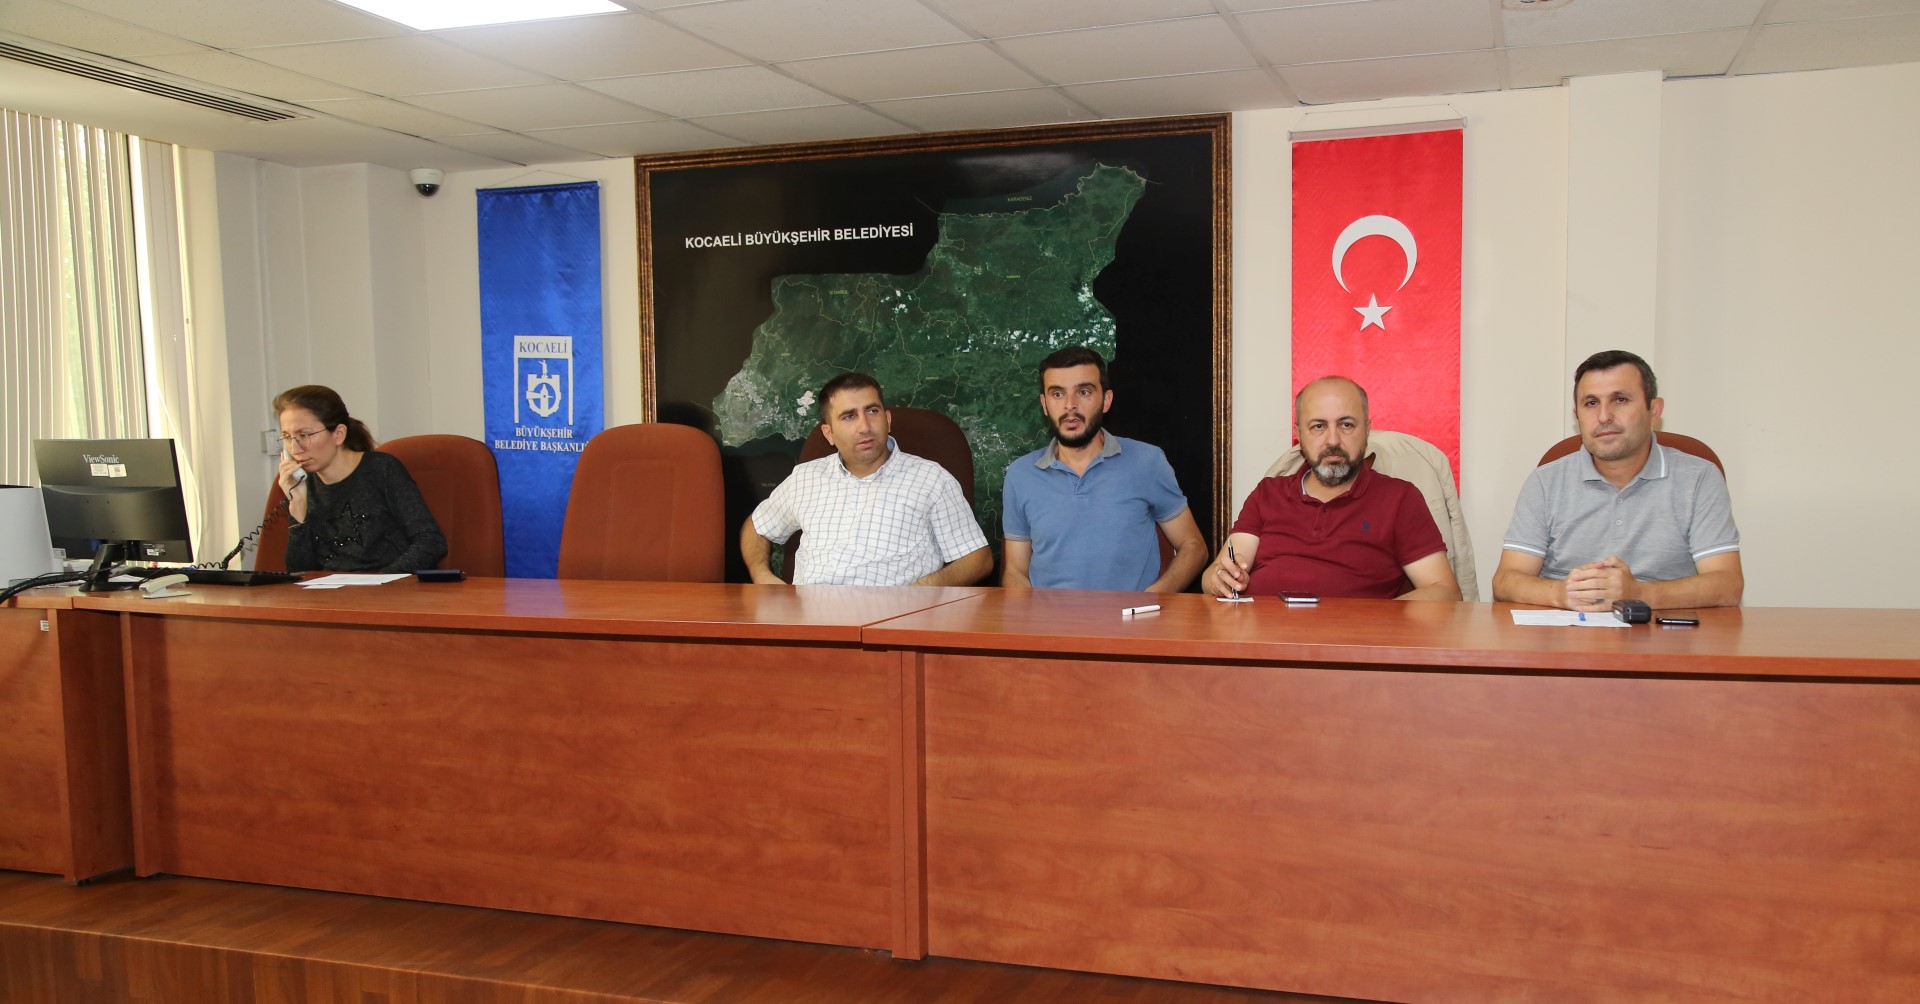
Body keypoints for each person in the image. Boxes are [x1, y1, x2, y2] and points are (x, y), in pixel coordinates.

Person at [1493, 350, 1742, 610]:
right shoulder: (1546, 481)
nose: (1604, 417)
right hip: (1567, 625)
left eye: (1620, 400)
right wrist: (1561, 594)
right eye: (1591, 403)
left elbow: (1727, 586)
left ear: (1654, 411)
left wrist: (1639, 594)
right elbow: (1505, 581)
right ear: (1577, 415)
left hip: (1660, 626)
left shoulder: (1699, 478)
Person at [1204, 376, 1460, 600]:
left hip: (1352, 638)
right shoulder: (1268, 493)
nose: (1333, 440)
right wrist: (1220, 578)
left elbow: (1444, 591)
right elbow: (1214, 575)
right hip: (1261, 633)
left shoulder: (1399, 498)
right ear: (1299, 435)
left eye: (1346, 425)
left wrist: (1372, 621)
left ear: (1366, 430)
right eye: (1318, 426)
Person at [743, 372, 991, 586]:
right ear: (829, 434)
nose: (865, 426)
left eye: (872, 411)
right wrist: (761, 574)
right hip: (811, 617)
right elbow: (756, 528)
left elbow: (977, 559)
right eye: (849, 416)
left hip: (893, 618)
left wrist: (925, 588)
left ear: (887, 420)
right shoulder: (806, 478)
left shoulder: (931, 479)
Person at [1001, 346, 1206, 591]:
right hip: (1048, 616)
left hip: (1131, 615)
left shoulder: (1147, 462)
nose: (1070, 405)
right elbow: (1015, 571)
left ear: (1106, 400)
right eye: (1057, 394)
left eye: (1083, 392)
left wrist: (1153, 599)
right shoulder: (1020, 475)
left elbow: (1193, 547)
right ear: (1044, 404)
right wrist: (1027, 612)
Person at [275, 385, 447, 573]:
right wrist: (298, 506)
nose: (295, 448)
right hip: (335, 589)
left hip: (393, 584)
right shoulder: (300, 484)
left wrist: (377, 583)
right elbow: (300, 572)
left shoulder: (381, 469)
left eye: (304, 435)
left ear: (338, 434)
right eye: (287, 437)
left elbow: (431, 542)